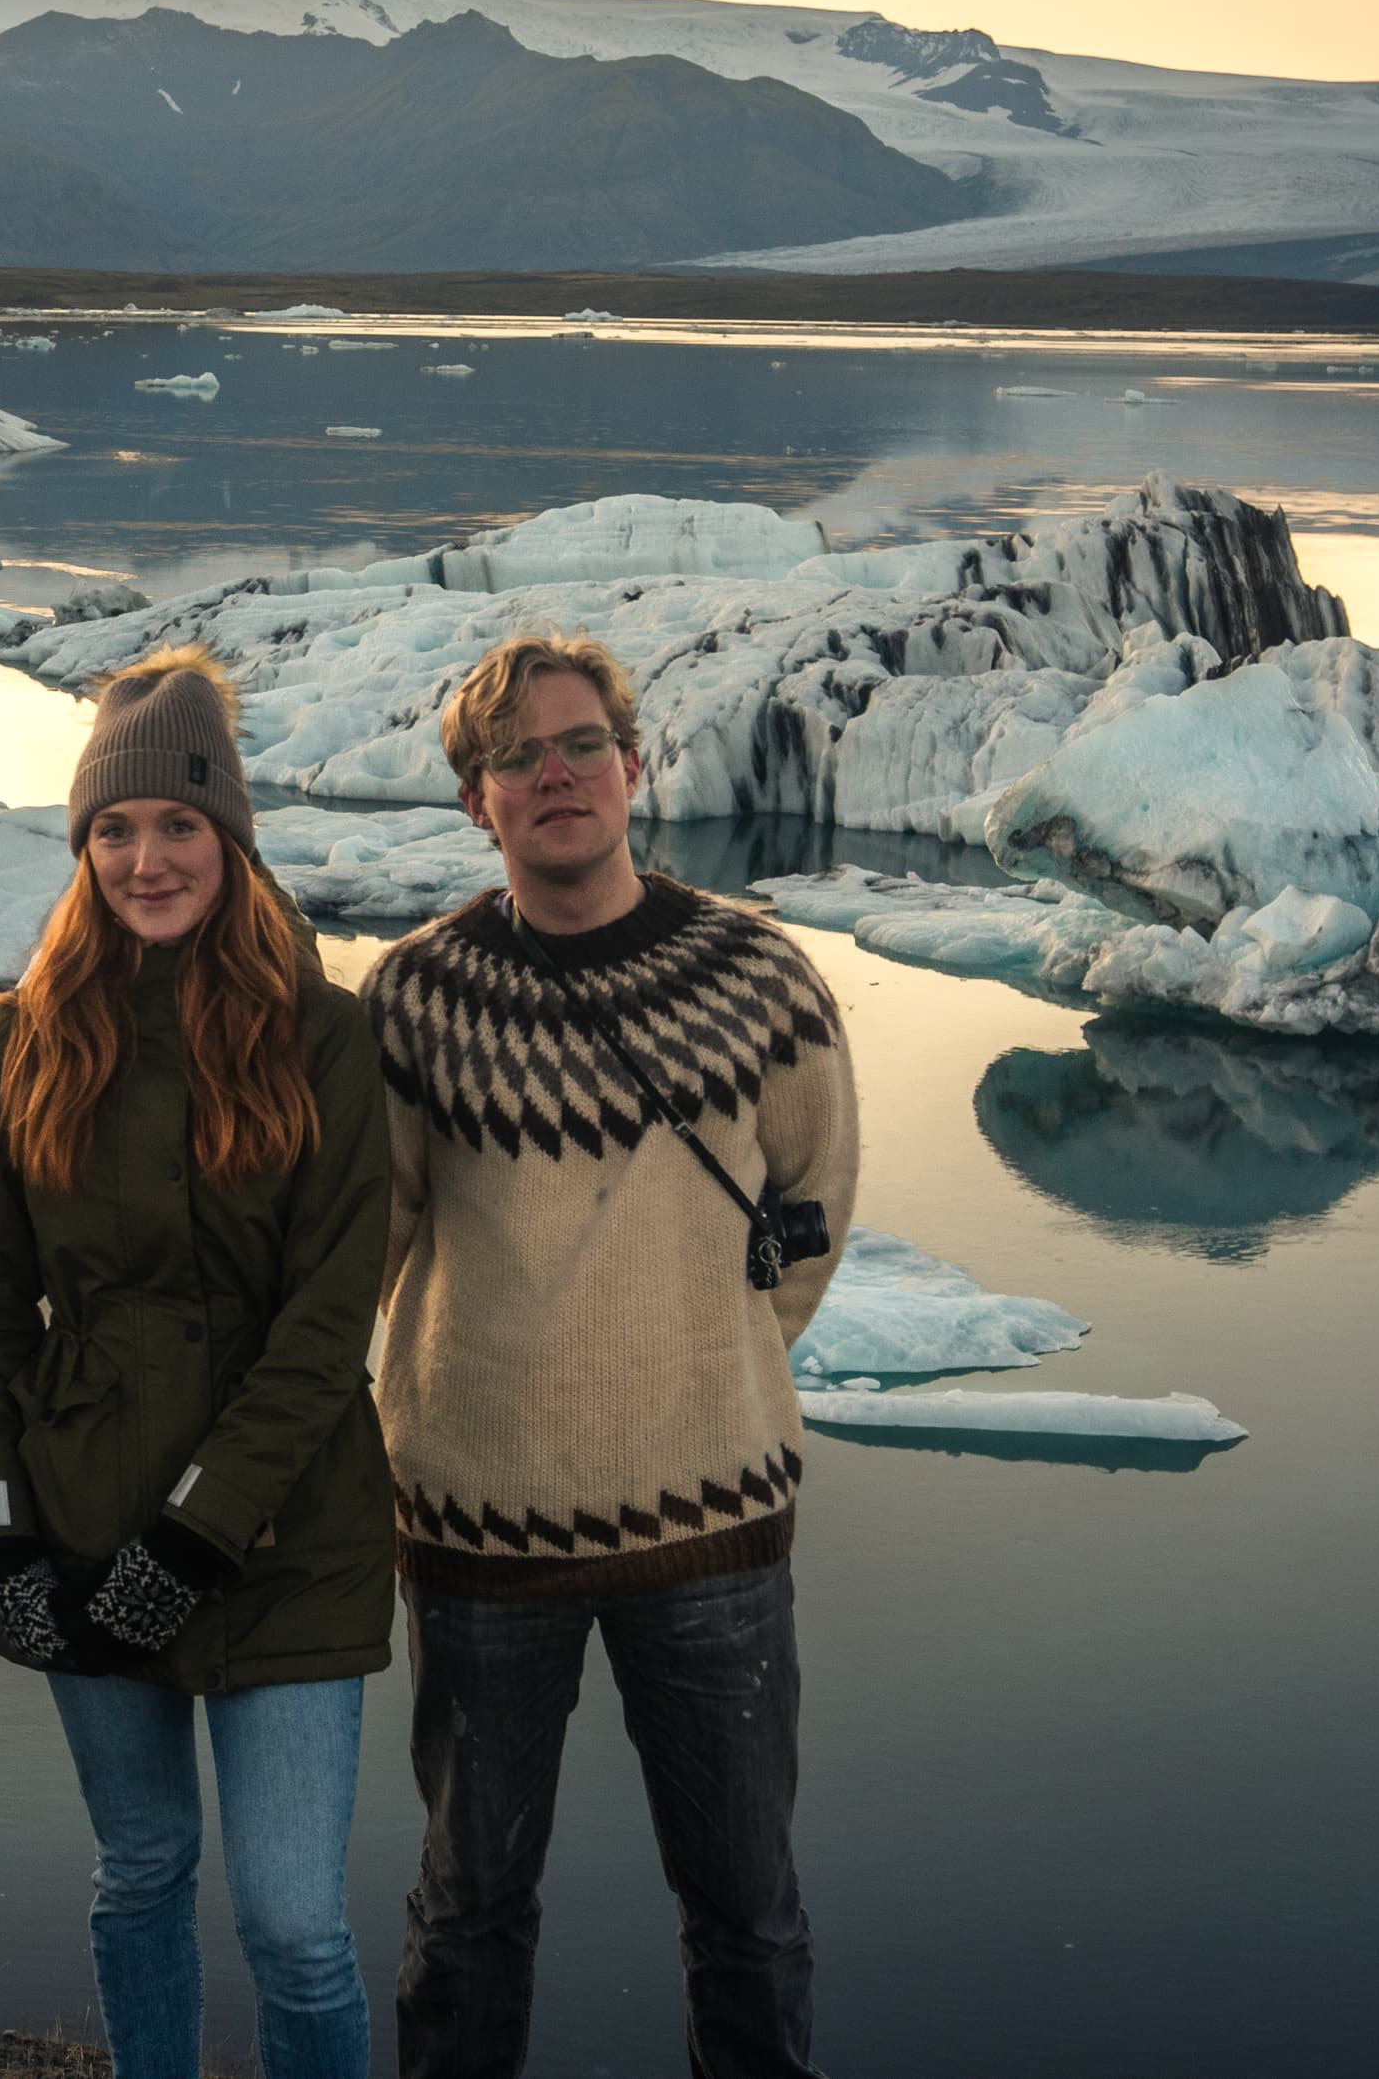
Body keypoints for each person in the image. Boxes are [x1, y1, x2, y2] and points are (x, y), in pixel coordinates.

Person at [357, 634, 861, 2079]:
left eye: (581, 746)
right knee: (467, 1914)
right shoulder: (416, 998)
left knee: (747, 1915)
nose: (554, 776)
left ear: (635, 769)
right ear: (477, 802)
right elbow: (368, 1246)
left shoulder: (759, 978)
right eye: (516, 758)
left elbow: (810, 1212)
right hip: (475, 1532)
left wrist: (707, 1369)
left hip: (713, 1536)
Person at [0, 648, 397, 2079]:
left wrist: (203, 1532)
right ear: (84, 847)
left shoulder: (325, 1034)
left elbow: (331, 1316)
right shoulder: (20, 1041)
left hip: (291, 1535)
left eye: (178, 825)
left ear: (231, 839)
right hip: (81, 1523)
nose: (147, 859)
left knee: (295, 1925)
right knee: (140, 1873)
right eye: (115, 831)